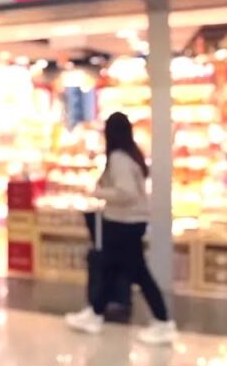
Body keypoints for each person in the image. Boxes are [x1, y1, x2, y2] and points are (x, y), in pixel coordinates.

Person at [65, 112, 177, 345]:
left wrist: (98, 192)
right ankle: (95, 312)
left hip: (124, 223)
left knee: (139, 273)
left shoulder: (118, 159)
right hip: (126, 222)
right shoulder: (131, 155)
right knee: (109, 268)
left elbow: (126, 193)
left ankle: (163, 321)